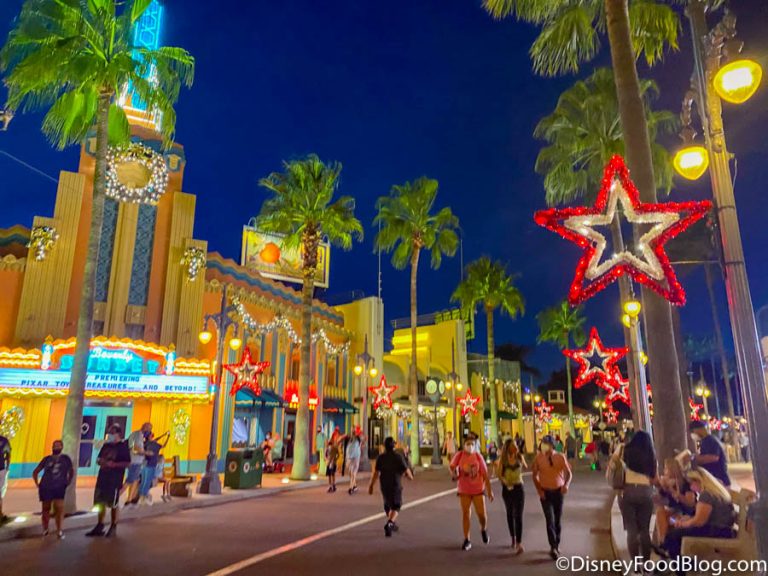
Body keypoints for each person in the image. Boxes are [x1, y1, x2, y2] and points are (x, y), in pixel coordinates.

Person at [660, 468, 736, 561]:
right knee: (676, 535)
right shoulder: (716, 491)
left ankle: (683, 567)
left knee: (673, 536)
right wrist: (687, 519)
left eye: (692, 483)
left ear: (699, 481)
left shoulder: (706, 495)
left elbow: (699, 521)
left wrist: (682, 524)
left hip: (717, 530)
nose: (691, 488)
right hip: (723, 529)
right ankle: (672, 557)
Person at [615, 431, 657, 564]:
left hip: (627, 491)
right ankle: (646, 561)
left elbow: (614, 463)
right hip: (646, 492)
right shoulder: (651, 455)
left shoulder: (625, 451)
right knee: (644, 529)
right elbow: (654, 478)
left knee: (631, 529)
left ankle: (635, 562)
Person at [450, 435, 494, 551]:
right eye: (468, 444)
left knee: (482, 515)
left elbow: (485, 474)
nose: (470, 446)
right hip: (464, 489)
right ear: (464, 445)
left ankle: (483, 529)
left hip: (478, 489)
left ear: (475, 446)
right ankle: (467, 539)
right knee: (465, 514)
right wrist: (455, 473)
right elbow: (452, 468)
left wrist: (489, 491)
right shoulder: (459, 456)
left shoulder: (478, 457)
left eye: (472, 444)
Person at [86, 423, 131, 537]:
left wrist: (114, 464)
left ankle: (113, 525)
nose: (109, 435)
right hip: (103, 477)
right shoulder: (106, 446)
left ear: (118, 434)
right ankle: (100, 525)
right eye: (109, 432)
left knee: (113, 503)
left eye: (112, 432)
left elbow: (127, 463)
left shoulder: (123, 447)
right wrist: (102, 462)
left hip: (114, 479)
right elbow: (99, 459)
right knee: (99, 502)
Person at [531, 435, 572, 559]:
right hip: (545, 492)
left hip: (558, 492)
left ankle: (557, 543)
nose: (543, 446)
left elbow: (569, 473)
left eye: (546, 443)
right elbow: (534, 475)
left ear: (552, 445)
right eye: (542, 443)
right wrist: (539, 490)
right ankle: (553, 546)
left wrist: (566, 485)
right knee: (550, 519)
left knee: (557, 519)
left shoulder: (560, 457)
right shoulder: (538, 458)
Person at [369, 437, 413, 537]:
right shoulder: (398, 457)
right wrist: (410, 477)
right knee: (397, 505)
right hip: (395, 483)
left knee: (387, 504)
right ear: (393, 446)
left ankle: (392, 523)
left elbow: (376, 473)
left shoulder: (380, 457)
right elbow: (406, 470)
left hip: (384, 484)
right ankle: (390, 523)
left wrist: (371, 485)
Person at [32, 439, 73, 538]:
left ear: (62, 447)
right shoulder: (46, 459)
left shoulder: (66, 459)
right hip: (46, 487)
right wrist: (37, 484)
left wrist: (68, 482)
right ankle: (45, 530)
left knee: (59, 508)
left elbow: (71, 471)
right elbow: (36, 471)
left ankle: (59, 530)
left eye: (59, 445)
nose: (56, 447)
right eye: (55, 445)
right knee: (45, 509)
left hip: (59, 487)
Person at [654, 457, 697, 544]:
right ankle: (663, 542)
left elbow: (691, 503)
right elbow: (658, 501)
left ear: (672, 470)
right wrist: (660, 487)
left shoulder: (685, 483)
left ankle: (664, 544)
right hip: (674, 515)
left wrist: (677, 494)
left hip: (687, 515)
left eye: (666, 468)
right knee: (660, 512)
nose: (664, 471)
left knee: (667, 519)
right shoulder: (667, 483)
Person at [497, 438, 527, 553]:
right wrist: (505, 482)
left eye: (516, 445)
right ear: (508, 447)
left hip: (519, 487)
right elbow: (499, 474)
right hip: (507, 489)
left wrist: (520, 457)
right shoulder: (503, 460)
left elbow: (525, 466)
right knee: (510, 513)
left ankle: (519, 543)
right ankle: (513, 537)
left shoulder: (519, 456)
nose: (515, 446)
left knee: (518, 515)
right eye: (513, 445)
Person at [689, 420, 730, 487]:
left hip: (719, 479)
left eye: (692, 432)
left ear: (697, 430)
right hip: (715, 478)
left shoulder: (709, 440)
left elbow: (714, 457)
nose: (692, 434)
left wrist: (694, 458)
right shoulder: (705, 440)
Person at [124, 421, 151, 507]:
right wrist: (146, 453)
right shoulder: (137, 435)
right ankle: (116, 497)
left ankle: (130, 499)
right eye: (149, 429)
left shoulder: (138, 435)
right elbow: (134, 448)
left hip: (137, 462)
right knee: (130, 481)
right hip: (135, 461)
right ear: (145, 427)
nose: (149, 431)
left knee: (135, 480)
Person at [139, 431, 168, 505]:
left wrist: (164, 435)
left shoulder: (146, 443)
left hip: (146, 464)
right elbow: (163, 445)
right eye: (152, 435)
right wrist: (167, 437)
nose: (153, 436)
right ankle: (143, 497)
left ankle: (143, 496)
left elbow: (157, 440)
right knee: (149, 482)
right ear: (150, 436)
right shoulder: (154, 444)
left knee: (147, 481)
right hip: (150, 464)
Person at [0, 432, 10, 524]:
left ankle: (0, 513)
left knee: (0, 492)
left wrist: (7, 467)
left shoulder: (4, 440)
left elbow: (8, 453)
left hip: (1, 470)